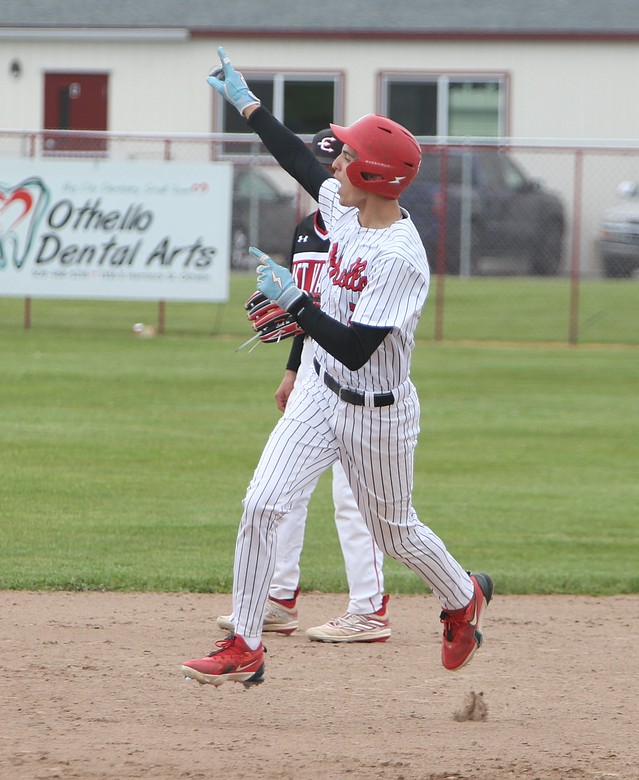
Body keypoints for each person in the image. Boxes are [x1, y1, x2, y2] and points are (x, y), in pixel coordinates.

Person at [182, 47, 493, 687]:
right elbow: (298, 159)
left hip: (377, 413)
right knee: (263, 504)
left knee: (397, 532)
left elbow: (358, 346)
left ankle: (462, 596)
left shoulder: (399, 256)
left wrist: (294, 300)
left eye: (348, 155)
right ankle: (245, 644)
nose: (336, 158)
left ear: (376, 177)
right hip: (322, 392)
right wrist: (250, 105)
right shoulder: (349, 209)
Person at [216, 128, 392, 645]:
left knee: (356, 499)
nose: (328, 169)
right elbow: (310, 313)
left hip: (361, 373)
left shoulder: (370, 235)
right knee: (281, 491)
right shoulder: (304, 231)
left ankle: (369, 607)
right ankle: (278, 598)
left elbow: (346, 325)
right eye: (324, 161)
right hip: (315, 370)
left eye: (336, 159)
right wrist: (293, 368)